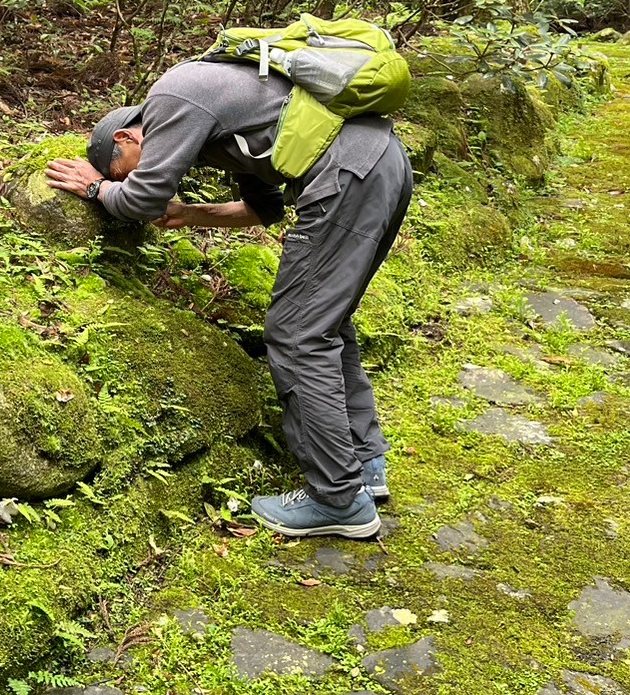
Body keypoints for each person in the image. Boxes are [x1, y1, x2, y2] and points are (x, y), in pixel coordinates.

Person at [44, 57, 412, 540]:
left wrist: (98, 189)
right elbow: (265, 209)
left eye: (123, 172)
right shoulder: (229, 117)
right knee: (326, 324)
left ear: (126, 138)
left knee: (299, 336)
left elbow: (141, 201)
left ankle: (337, 500)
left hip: (348, 178)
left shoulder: (171, 100)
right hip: (381, 165)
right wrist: (188, 213)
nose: (131, 178)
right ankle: (364, 466)